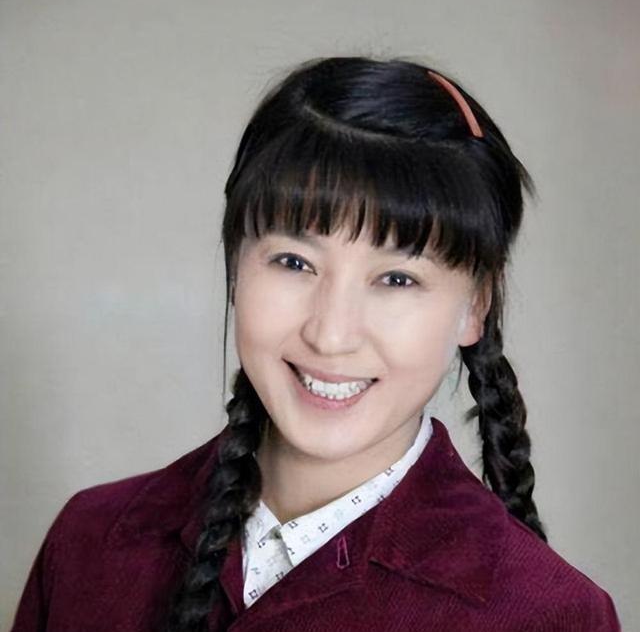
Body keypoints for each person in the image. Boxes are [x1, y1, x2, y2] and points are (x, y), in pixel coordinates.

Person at [11, 56, 621, 631]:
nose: (331, 334)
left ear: (477, 306)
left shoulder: (550, 614)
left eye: (397, 279)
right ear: (235, 266)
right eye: (294, 263)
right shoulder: (89, 541)